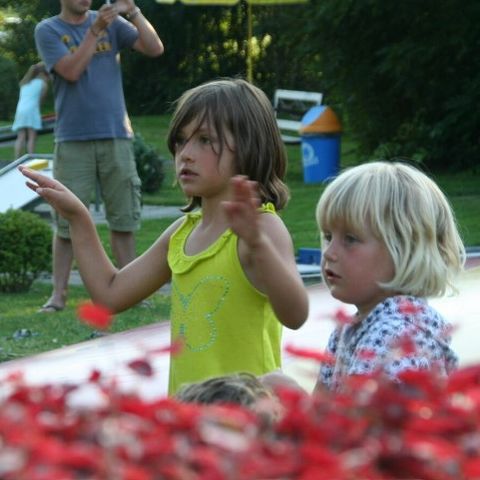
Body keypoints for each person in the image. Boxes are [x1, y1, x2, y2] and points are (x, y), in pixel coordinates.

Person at [20, 78, 309, 394]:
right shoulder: (182, 233)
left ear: (249, 146)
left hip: (246, 414)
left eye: (204, 140)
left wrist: (257, 243)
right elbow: (109, 293)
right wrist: (78, 217)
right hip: (188, 413)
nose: (186, 154)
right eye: (181, 141)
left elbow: (295, 315)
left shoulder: (262, 228)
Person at [33, 0, 164, 313]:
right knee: (66, 220)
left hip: (116, 133)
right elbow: (71, 71)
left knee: (123, 218)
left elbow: (154, 48)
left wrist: (133, 11)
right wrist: (95, 31)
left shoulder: (111, 22)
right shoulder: (48, 29)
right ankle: (58, 296)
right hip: (72, 138)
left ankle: (133, 292)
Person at [313, 161, 465, 393]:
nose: (329, 253)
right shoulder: (350, 329)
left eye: (350, 239)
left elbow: (365, 414)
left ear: (403, 250)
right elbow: (320, 408)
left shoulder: (397, 335)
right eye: (327, 236)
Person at [12, 62, 50, 160]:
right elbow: (39, 102)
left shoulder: (24, 83)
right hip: (32, 110)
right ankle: (30, 159)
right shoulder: (43, 84)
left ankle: (17, 160)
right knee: (32, 136)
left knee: (21, 136)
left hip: (20, 110)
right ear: (42, 73)